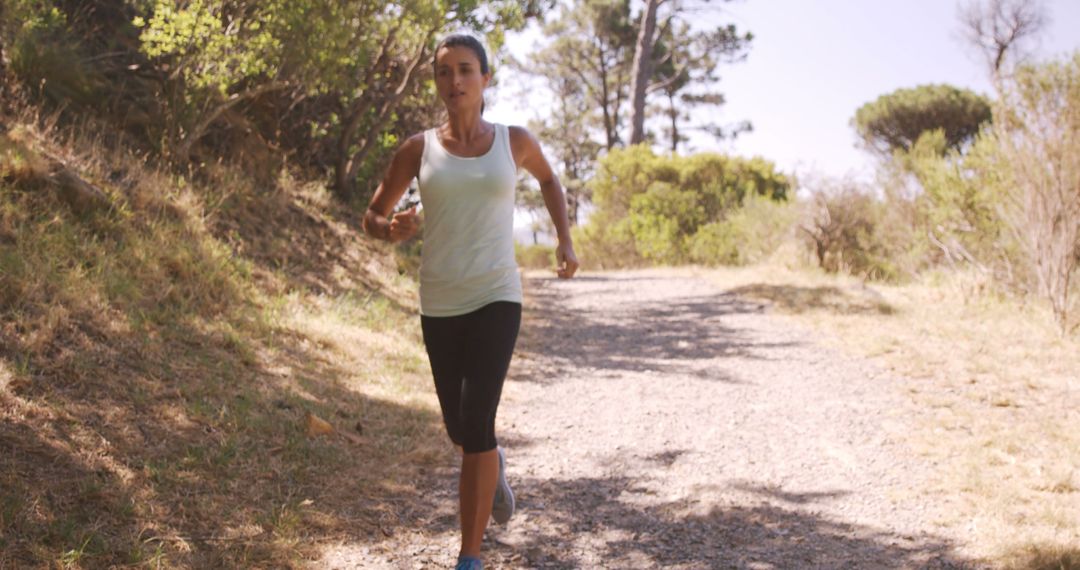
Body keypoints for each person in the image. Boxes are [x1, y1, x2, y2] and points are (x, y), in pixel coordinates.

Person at [362, 33, 579, 570]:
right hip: (440, 300)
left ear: (485, 78)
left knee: (478, 417)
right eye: (444, 73)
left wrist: (565, 239)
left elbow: (550, 181)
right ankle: (493, 464)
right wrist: (393, 230)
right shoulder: (418, 149)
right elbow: (372, 217)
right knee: (461, 430)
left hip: (496, 294)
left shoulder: (515, 140)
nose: (454, 81)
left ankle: (470, 555)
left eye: (465, 70)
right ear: (436, 82)